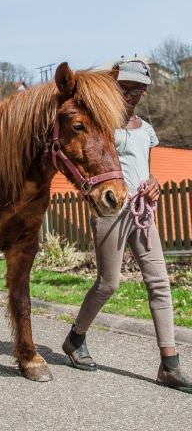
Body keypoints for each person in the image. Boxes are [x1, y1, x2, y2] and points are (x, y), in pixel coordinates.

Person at [62, 58, 192, 393]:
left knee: (159, 283)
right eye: (124, 87)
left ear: (144, 91)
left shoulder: (145, 129)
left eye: (136, 88)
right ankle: (76, 339)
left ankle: (170, 364)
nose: (129, 93)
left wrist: (153, 184)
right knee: (109, 283)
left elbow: (146, 170)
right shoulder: (103, 123)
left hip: (143, 211)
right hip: (110, 212)